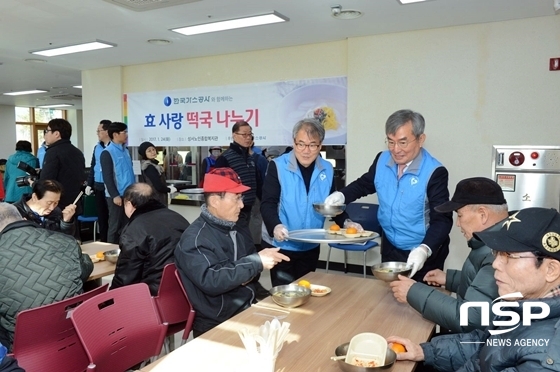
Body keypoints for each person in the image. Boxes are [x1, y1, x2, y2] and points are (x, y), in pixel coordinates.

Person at [389, 207, 560, 371]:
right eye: (497, 253)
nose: (495, 264)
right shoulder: (521, 303)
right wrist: (424, 351)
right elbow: (484, 346)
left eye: (508, 256)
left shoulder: (544, 359)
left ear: (551, 270)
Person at [326, 109, 452, 280]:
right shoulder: (382, 160)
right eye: (390, 142)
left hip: (422, 251)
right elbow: (364, 185)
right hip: (391, 246)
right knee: (388, 299)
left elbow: (442, 220)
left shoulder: (434, 172)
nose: (396, 150)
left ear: (420, 139)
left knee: (420, 301)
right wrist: (341, 195)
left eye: (402, 142)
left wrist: (425, 249)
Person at [175, 168, 290, 337]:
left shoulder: (237, 228)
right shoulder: (195, 240)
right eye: (236, 198)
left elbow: (248, 273)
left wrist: (244, 270)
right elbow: (213, 281)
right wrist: (255, 263)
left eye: (241, 198)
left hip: (246, 308)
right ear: (214, 201)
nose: (242, 205)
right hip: (217, 323)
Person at [389, 177, 506, 332]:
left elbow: (471, 318)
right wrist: (449, 279)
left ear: (482, 214)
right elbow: (483, 288)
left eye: (460, 215)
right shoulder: (496, 241)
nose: (457, 223)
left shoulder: (498, 253)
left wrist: (413, 292)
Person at [0, 203, 93, 351]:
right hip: (75, 336)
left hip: (25, 349)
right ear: (23, 219)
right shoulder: (64, 240)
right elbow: (85, 268)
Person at [261, 118, 335, 287]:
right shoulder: (278, 166)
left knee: (306, 291)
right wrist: (276, 226)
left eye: (312, 145)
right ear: (294, 143)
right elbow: (268, 203)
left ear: (320, 145)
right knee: (285, 294)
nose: (306, 151)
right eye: (300, 144)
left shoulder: (327, 168)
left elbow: (331, 205)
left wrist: (346, 221)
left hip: (311, 244)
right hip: (282, 244)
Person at [111, 183, 189, 296]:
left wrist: (110, 300)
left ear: (128, 203)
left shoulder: (135, 230)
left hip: (152, 295)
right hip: (184, 290)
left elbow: (125, 278)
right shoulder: (178, 218)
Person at [215, 121, 258, 228]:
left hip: (249, 207)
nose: (248, 138)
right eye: (244, 134)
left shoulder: (250, 157)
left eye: (250, 134)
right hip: (233, 209)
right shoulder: (224, 158)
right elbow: (219, 188)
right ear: (234, 136)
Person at [39, 118, 86, 212]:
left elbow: (47, 181)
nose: (45, 135)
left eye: (47, 131)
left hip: (56, 204)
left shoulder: (53, 152)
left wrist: (34, 184)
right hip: (74, 203)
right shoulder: (77, 152)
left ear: (56, 134)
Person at [101, 121, 135, 244]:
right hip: (116, 196)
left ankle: (124, 251)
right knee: (115, 226)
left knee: (128, 225)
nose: (126, 135)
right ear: (115, 134)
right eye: (124, 132)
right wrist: (114, 195)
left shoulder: (126, 151)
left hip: (129, 195)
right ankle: (110, 250)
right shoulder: (107, 152)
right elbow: (107, 177)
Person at [85, 119, 111, 242]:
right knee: (102, 217)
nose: (97, 133)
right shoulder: (97, 147)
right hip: (98, 186)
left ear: (106, 131)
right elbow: (93, 166)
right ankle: (104, 241)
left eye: (99, 131)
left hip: (111, 186)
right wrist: (89, 184)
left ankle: (113, 243)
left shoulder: (115, 147)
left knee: (113, 217)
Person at [138, 141, 177, 206]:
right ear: (144, 154)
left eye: (153, 149)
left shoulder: (154, 165)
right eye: (149, 151)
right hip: (155, 199)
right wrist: (169, 189)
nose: (152, 152)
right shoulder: (149, 167)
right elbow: (158, 186)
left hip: (157, 198)